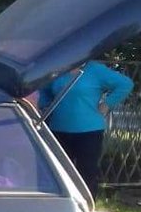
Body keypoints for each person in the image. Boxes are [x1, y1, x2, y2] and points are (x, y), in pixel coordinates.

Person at [38, 61, 134, 197]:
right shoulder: (57, 69)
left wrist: (107, 104)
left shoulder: (95, 69)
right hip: (58, 129)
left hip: (89, 131)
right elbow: (44, 91)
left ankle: (87, 204)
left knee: (87, 172)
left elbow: (125, 84)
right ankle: (63, 204)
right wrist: (44, 105)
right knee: (58, 172)